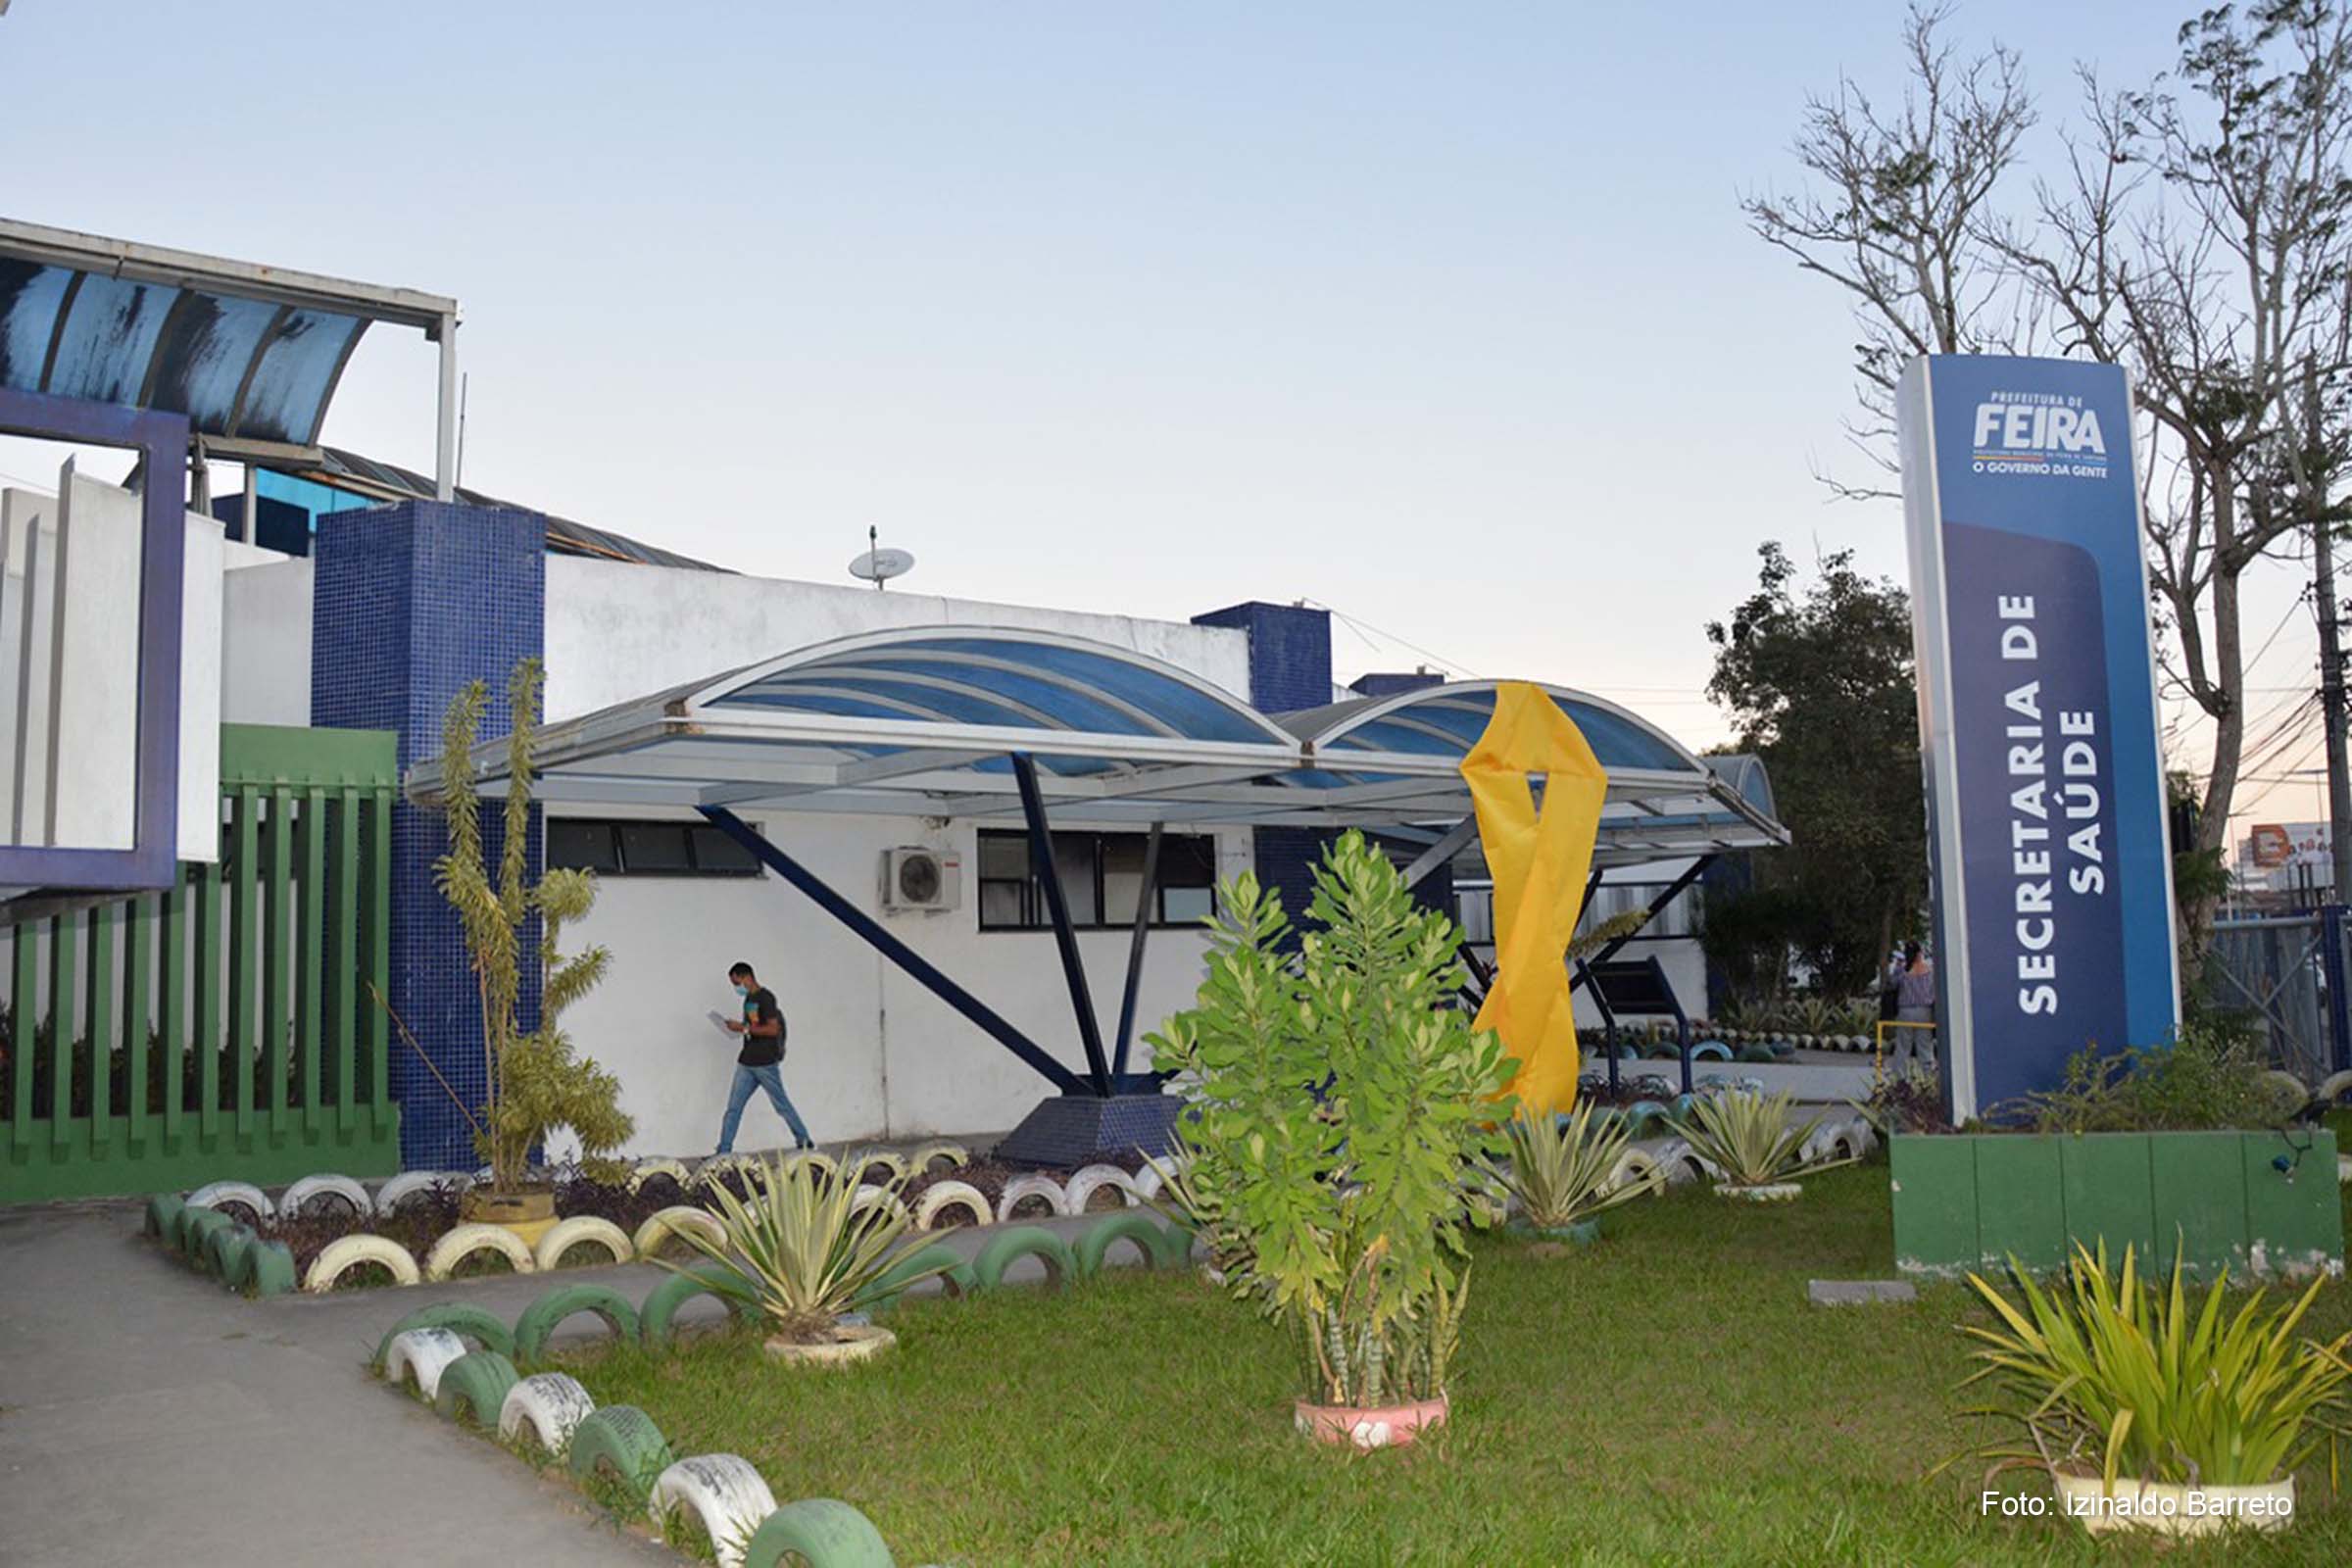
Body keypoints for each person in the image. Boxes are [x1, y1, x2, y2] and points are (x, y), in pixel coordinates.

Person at [714, 960, 813, 1154]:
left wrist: (743, 1028)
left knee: (781, 1105)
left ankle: (804, 1142)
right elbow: (752, 1027)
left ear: (747, 977)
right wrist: (737, 1028)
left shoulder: (766, 998)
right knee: (733, 1109)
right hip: (746, 1062)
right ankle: (723, 1151)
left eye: (737, 983)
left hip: (765, 1063)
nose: (736, 988)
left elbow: (772, 1029)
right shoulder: (748, 999)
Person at [1886, 941, 1936, 1075]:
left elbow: (1892, 985)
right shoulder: (1930, 971)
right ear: (1920, 954)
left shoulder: (1902, 971)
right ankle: (1928, 1077)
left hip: (1905, 1011)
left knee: (1902, 1047)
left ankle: (1900, 1078)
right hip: (1924, 1011)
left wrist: (1897, 967)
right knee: (1925, 1046)